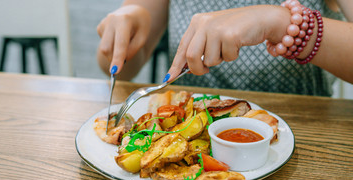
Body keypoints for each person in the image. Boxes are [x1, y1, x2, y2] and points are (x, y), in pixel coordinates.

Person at [96, 0, 353, 96]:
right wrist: (126, 21)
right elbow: (121, 71)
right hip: (191, 150)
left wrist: (281, 22)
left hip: (304, 145)